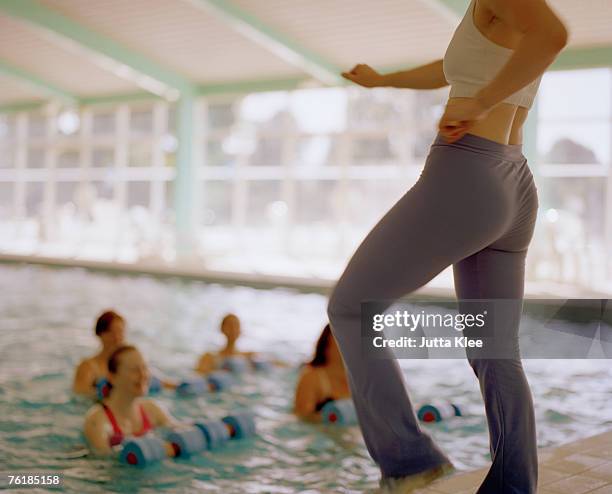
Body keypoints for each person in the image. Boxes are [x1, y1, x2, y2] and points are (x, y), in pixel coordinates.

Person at [331, 0, 568, 492]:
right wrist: (383, 81)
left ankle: (410, 461)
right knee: (495, 350)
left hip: (467, 174)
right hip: (512, 180)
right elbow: (453, 68)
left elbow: (553, 37)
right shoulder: (490, 11)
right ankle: (513, 486)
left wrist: (478, 103)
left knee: (350, 307)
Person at [83, 345, 176, 455]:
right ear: (112, 377)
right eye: (135, 370)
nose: (143, 375)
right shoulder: (98, 421)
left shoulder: (153, 409)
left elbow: (179, 430)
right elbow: (104, 463)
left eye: (145, 368)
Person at [294, 324, 351, 421]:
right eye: (343, 338)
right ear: (327, 344)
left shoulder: (357, 379)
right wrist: (329, 418)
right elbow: (301, 417)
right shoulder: (311, 377)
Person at [73, 310, 125, 398]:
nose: (116, 338)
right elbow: (79, 398)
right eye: (111, 332)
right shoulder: (87, 367)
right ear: (99, 334)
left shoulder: (127, 366)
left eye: (120, 332)